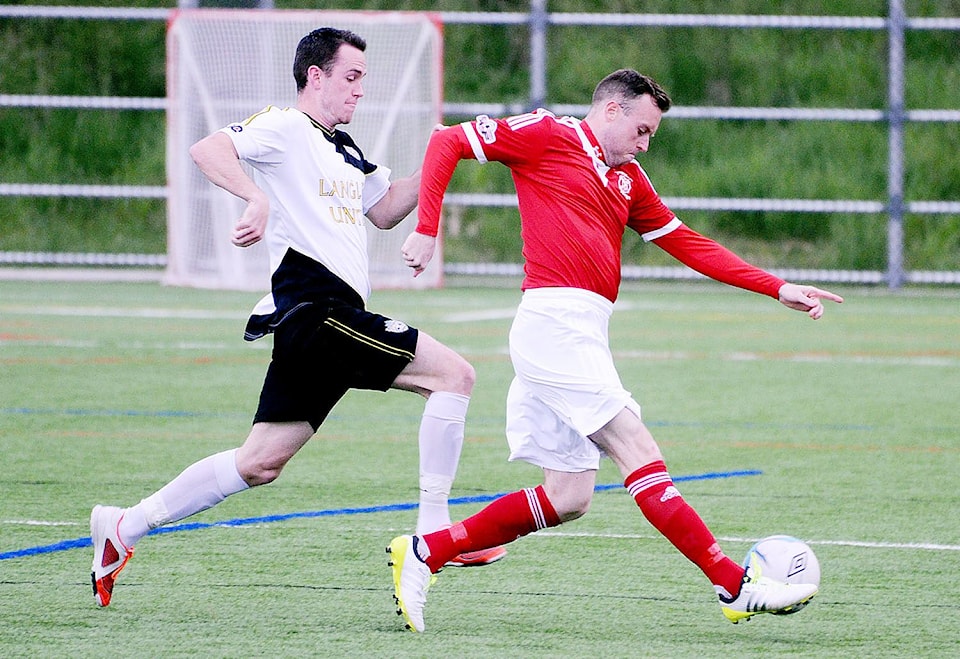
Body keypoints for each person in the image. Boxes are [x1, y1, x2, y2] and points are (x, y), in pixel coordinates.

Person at [387, 69, 843, 633]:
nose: (645, 144)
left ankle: (426, 551)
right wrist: (427, 228)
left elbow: (688, 243)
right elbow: (446, 140)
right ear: (610, 111)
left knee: (569, 496)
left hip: (582, 333)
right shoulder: (549, 135)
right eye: (643, 130)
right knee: (635, 444)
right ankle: (731, 582)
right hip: (553, 326)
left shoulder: (630, 180)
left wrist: (778, 287)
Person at [89, 26, 505, 609]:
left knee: (259, 463)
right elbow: (209, 149)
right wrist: (253, 197)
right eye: (351, 77)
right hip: (318, 311)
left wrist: (444, 154)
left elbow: (385, 210)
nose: (360, 90)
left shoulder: (345, 148)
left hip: (322, 324)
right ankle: (435, 535)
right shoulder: (285, 126)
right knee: (454, 375)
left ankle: (124, 524)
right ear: (317, 76)